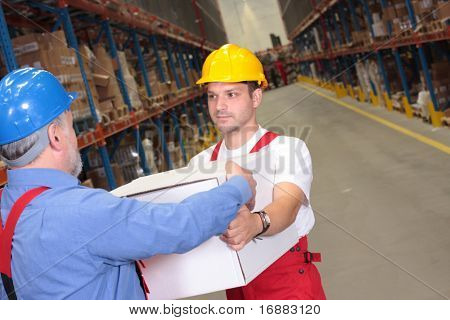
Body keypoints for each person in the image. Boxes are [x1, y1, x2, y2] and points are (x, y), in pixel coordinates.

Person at [0, 68, 256, 300]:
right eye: (70, 126)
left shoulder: (6, 207)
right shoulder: (79, 212)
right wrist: (238, 187)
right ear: (55, 136)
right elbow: (180, 225)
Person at [190, 44, 326, 300]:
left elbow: (287, 205)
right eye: (212, 95)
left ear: (255, 97)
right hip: (236, 288)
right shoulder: (201, 162)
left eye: (231, 94)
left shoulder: (287, 149)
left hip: (288, 287)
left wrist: (255, 222)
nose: (219, 106)